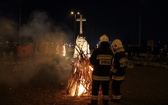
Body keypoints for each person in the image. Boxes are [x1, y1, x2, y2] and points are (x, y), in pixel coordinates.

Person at [88, 34, 113, 105]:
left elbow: (92, 62)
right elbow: (111, 63)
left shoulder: (96, 51)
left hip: (97, 76)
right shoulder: (110, 52)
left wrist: (95, 66)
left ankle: (94, 103)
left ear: (100, 42)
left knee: (95, 90)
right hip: (106, 76)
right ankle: (105, 103)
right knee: (105, 91)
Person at [110, 39, 128, 103]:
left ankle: (116, 99)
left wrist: (111, 74)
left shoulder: (117, 56)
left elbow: (115, 66)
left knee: (115, 87)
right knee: (118, 86)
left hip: (117, 75)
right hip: (122, 74)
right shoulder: (124, 55)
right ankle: (118, 97)